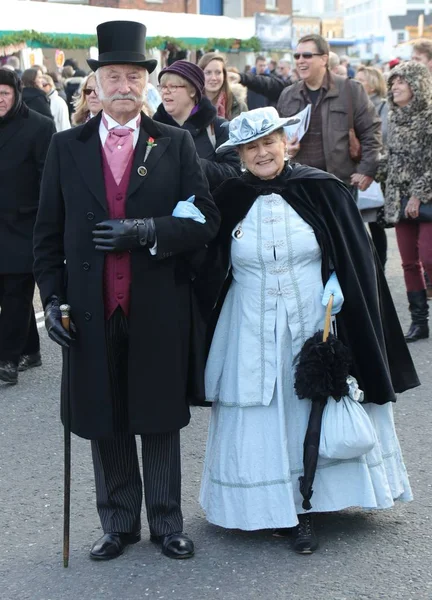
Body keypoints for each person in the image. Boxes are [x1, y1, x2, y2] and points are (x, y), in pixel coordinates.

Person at [33, 20, 220, 562]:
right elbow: (47, 236)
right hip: (91, 306)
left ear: (147, 84)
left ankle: (166, 522)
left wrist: (146, 231)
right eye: (112, 76)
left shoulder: (175, 143)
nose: (123, 85)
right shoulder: (66, 147)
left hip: (156, 303)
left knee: (157, 414)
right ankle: (118, 523)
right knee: (104, 413)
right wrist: (53, 301)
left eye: (133, 76)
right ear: (95, 85)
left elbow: (205, 219)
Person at [198, 107, 419, 555]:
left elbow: (355, 256)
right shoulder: (229, 196)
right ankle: (269, 502)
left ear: (286, 142)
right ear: (239, 154)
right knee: (263, 405)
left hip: (311, 314)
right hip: (249, 321)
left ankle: (311, 502)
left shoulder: (320, 188)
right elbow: (207, 264)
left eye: (268, 143)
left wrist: (337, 279)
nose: (261, 153)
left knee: (310, 402)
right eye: (251, 147)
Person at [0, 69, 55, 384]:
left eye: (4, 93)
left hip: (24, 225)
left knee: (16, 294)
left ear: (16, 93)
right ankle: (30, 350)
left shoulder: (39, 126)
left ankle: (6, 359)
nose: (0, 100)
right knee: (6, 293)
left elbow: (48, 179)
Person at [279, 35, 381, 197]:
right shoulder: (288, 94)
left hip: (339, 184)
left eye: (307, 55)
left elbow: (371, 131)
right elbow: (278, 137)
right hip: (299, 184)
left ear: (324, 59)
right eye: (297, 56)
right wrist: (285, 150)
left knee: (340, 224)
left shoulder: (350, 89)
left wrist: (366, 170)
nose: (300, 61)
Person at [376, 61, 432, 342]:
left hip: (427, 198)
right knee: (409, 263)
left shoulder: (430, 115)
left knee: (429, 257)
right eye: (392, 82)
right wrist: (371, 171)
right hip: (400, 200)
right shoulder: (395, 117)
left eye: (401, 81)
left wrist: (419, 193)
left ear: (417, 84)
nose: (394, 87)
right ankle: (419, 322)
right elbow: (392, 158)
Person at [153, 60, 240, 191]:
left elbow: (234, 173)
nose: (165, 91)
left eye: (173, 86)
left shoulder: (218, 128)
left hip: (206, 208)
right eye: (163, 87)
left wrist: (195, 163)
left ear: (192, 91)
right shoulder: (152, 129)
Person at [355, 66, 389, 269]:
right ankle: (366, 266)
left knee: (376, 223)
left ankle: (380, 267)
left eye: (361, 81)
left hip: (376, 171)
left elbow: (383, 137)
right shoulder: (355, 106)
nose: (355, 84)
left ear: (373, 86)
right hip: (355, 169)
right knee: (357, 223)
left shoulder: (384, 108)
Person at [198, 53, 247, 120]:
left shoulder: (239, 106)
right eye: (208, 73)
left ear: (224, 75)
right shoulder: (190, 104)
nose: (213, 78)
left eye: (218, 72)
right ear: (199, 75)